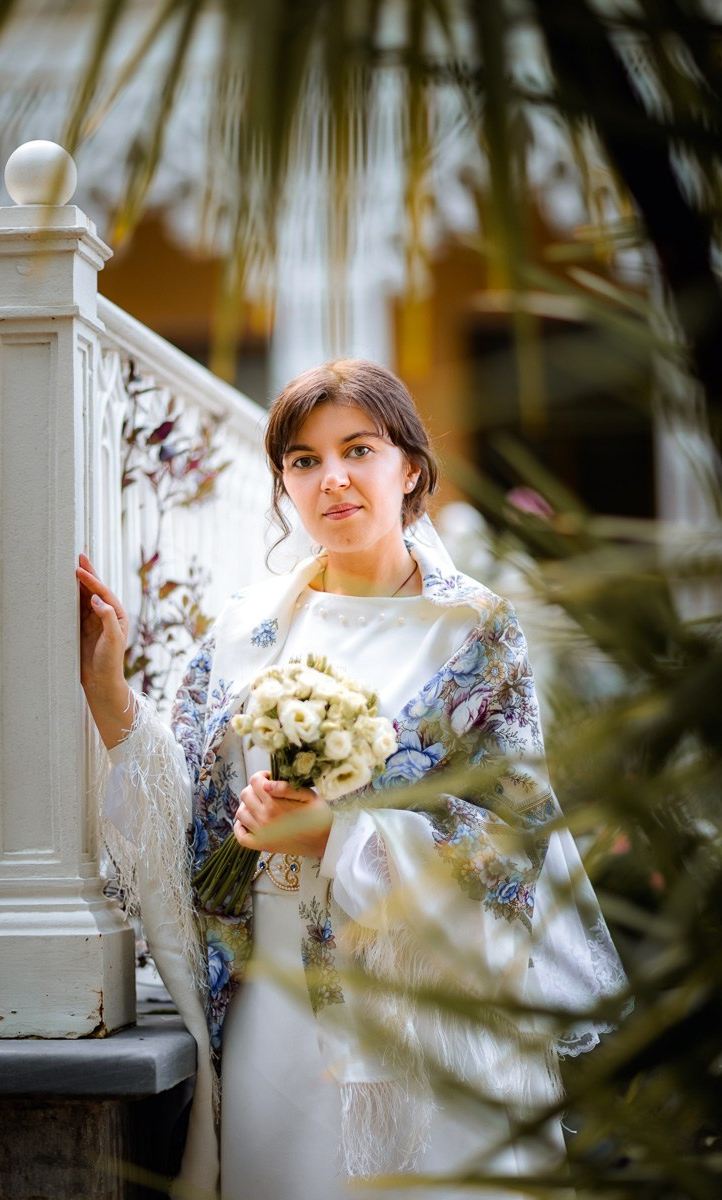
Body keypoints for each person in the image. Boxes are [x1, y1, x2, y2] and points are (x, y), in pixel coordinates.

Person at [77, 360, 627, 1200]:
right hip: (281, 1005)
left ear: (409, 468)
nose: (331, 478)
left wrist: (340, 837)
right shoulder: (248, 632)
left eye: (358, 449)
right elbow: (182, 800)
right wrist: (109, 693)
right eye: (302, 460)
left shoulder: (471, 632)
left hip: (432, 1002)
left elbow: (514, 846)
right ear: (284, 486)